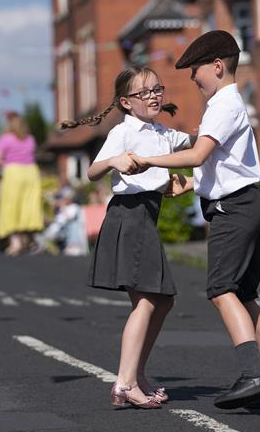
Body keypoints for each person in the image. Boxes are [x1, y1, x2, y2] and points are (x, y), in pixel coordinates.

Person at [129, 30, 260, 410]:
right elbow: (220, 165)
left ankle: (253, 374)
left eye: (196, 69)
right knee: (244, 295)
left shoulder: (224, 105)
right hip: (245, 202)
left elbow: (198, 154)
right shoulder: (228, 105)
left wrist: (147, 159)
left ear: (218, 66)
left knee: (222, 291)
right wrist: (192, 185)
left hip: (233, 210)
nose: (192, 78)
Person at [61, 66, 189, 409]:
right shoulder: (122, 131)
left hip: (145, 216)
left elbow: (198, 144)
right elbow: (91, 172)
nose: (154, 96)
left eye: (157, 89)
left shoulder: (163, 133)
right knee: (148, 300)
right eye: (144, 92)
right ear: (126, 102)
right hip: (128, 217)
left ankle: (138, 375)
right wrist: (114, 160)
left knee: (162, 301)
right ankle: (125, 383)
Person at [0, 112, 44, 256]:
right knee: (29, 206)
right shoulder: (30, 139)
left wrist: (3, 163)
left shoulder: (5, 139)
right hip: (31, 173)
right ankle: (31, 241)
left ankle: (15, 243)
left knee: (11, 206)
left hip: (13, 173)